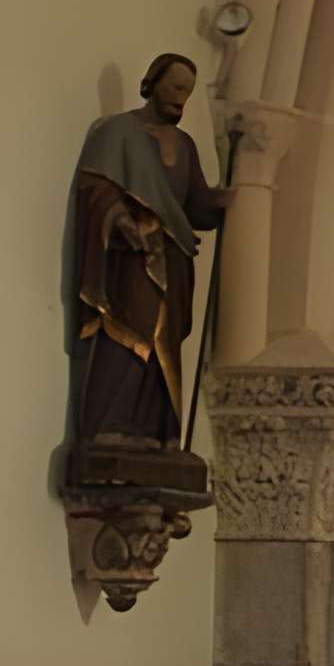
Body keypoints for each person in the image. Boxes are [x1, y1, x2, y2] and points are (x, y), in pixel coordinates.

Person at [61, 52, 227, 469]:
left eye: (187, 91)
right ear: (152, 83)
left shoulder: (184, 145)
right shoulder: (117, 132)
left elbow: (196, 206)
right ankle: (108, 428)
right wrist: (117, 218)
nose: (181, 98)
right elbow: (95, 190)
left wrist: (234, 198)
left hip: (172, 262)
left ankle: (157, 432)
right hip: (131, 256)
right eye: (175, 87)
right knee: (127, 335)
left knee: (165, 346)